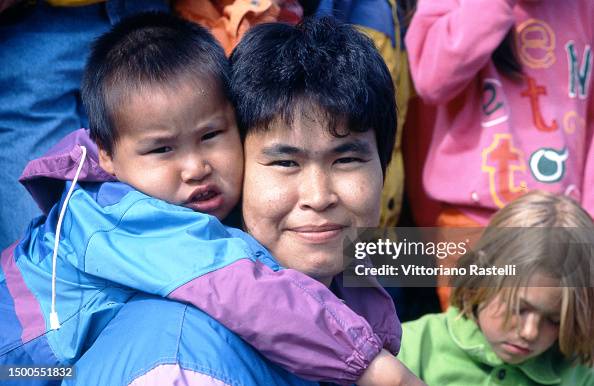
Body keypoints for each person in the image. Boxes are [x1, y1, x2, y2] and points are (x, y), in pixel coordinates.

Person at [0, 13, 403, 385]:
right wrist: (376, 367)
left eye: (210, 137)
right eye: (284, 162)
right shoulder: (124, 218)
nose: (195, 168)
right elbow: (243, 288)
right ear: (106, 154)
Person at [404, 0, 594, 308]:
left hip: (566, 226)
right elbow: (430, 80)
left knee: (552, 347)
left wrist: (587, 222)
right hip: (476, 221)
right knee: (469, 346)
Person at [398, 191, 594, 385]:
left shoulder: (582, 375)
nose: (530, 332)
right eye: (518, 308)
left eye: (555, 320)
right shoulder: (409, 348)